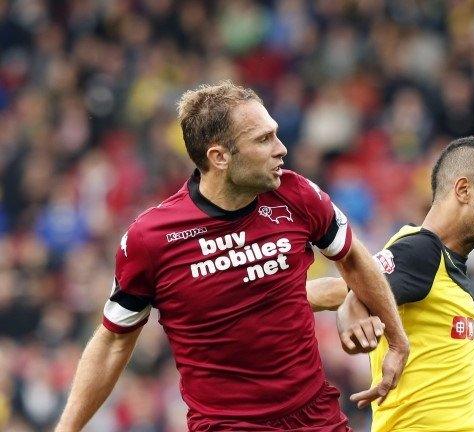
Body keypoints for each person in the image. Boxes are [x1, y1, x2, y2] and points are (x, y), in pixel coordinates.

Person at [55, 81, 409, 432]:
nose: (281, 149)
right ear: (219, 157)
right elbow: (114, 340)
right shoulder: (152, 239)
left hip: (316, 419)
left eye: (275, 134)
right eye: (263, 139)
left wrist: (394, 337)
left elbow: (352, 260)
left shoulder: (297, 195)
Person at [337, 136, 474, 431]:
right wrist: (354, 322)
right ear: (463, 190)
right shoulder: (421, 251)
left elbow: (350, 288)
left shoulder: (435, 264)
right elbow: (356, 298)